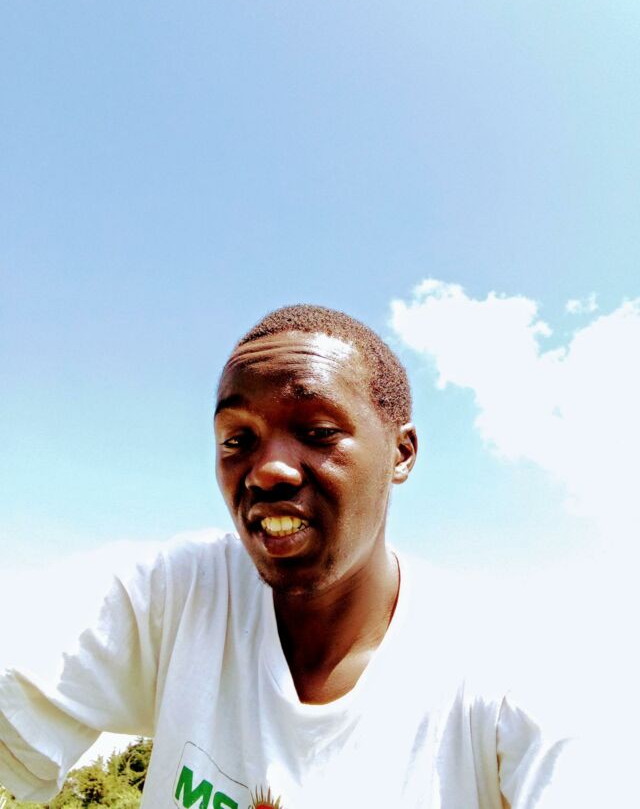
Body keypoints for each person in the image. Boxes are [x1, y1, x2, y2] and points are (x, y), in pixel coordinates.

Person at [0, 305, 569, 809]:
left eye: (318, 431)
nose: (268, 470)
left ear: (401, 452)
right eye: (237, 439)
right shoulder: (181, 594)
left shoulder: (503, 673)